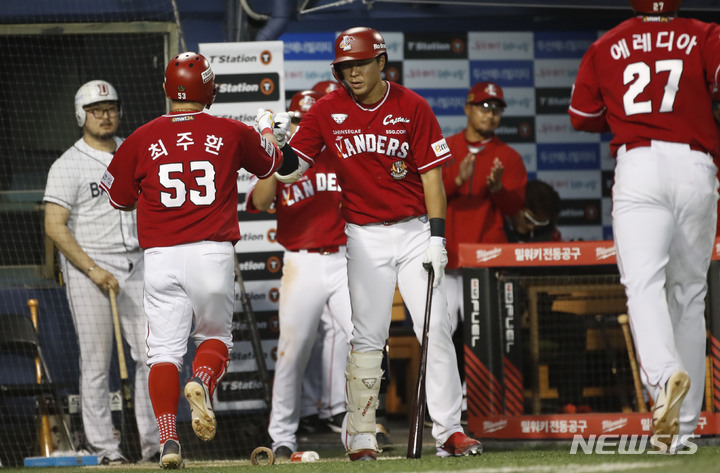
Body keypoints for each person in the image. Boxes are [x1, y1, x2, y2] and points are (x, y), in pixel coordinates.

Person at [274, 26, 482, 460]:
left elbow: (432, 178)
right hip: (364, 236)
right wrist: (277, 146)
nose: (352, 73)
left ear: (381, 63)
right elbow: (291, 171)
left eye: (360, 64)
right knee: (367, 337)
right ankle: (363, 436)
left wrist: (437, 237)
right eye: (344, 67)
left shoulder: (412, 106)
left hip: (413, 232)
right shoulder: (326, 110)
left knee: (435, 328)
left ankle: (449, 432)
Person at [99, 52, 286, 469]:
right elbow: (273, 162)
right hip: (212, 253)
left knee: (163, 353)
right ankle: (201, 382)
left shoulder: (143, 136)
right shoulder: (231, 131)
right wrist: (268, 129)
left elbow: (118, 197)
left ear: (168, 91)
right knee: (215, 340)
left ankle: (168, 441)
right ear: (210, 89)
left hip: (161, 257)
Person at [568, 0, 720, 452]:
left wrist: (628, 112)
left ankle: (662, 378)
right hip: (696, 163)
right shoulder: (705, 33)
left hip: (639, 162)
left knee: (644, 285)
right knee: (690, 294)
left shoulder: (607, 43)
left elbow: (582, 117)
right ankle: (686, 428)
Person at [43, 80, 159, 465]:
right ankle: (104, 449)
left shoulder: (135, 151)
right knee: (96, 362)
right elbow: (54, 226)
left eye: (110, 108)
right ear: (81, 115)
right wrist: (92, 270)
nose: (105, 115)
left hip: (136, 263)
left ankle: (154, 444)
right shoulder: (67, 164)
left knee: (149, 355)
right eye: (96, 110)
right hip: (89, 268)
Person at [246, 89, 354, 459]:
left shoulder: (343, 154)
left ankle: (357, 428)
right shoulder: (286, 158)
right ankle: (282, 436)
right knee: (292, 352)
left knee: (363, 340)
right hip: (301, 261)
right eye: (304, 119)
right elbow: (260, 203)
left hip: (345, 258)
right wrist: (274, 152)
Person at [442, 81, 527, 334]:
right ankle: (443, 377)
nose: (490, 114)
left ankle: (478, 377)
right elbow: (422, 197)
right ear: (468, 108)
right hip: (445, 255)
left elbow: (515, 208)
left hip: (486, 257)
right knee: (439, 330)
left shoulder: (509, 157)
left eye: (496, 110)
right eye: (483, 107)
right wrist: (456, 180)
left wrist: (498, 188)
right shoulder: (444, 148)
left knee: (484, 332)